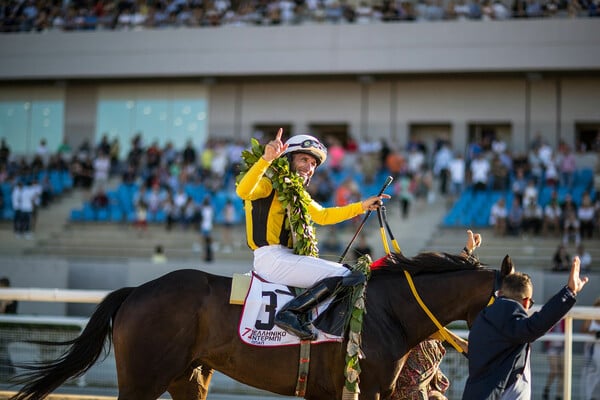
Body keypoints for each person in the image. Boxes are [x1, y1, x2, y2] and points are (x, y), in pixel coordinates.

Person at [236, 129, 389, 340]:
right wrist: (265, 160)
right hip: (271, 259)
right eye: (304, 160)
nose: (309, 168)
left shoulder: (297, 193)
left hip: (286, 258)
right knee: (343, 274)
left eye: (313, 164)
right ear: (288, 160)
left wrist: (362, 206)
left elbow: (323, 215)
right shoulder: (267, 183)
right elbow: (243, 191)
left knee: (345, 272)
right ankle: (290, 314)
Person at [462, 255, 588, 400]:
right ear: (526, 302)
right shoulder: (508, 315)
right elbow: (536, 325)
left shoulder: (482, 317)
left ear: (500, 293)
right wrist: (569, 292)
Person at [580, 296, 600, 400]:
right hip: (590, 354)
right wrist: (592, 333)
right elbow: (583, 330)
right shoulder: (591, 317)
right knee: (589, 377)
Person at [542, 319, 565, 400]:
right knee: (554, 371)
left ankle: (558, 395)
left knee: (562, 372)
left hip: (562, 347)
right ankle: (546, 389)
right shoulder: (552, 317)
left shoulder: (564, 319)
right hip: (552, 347)